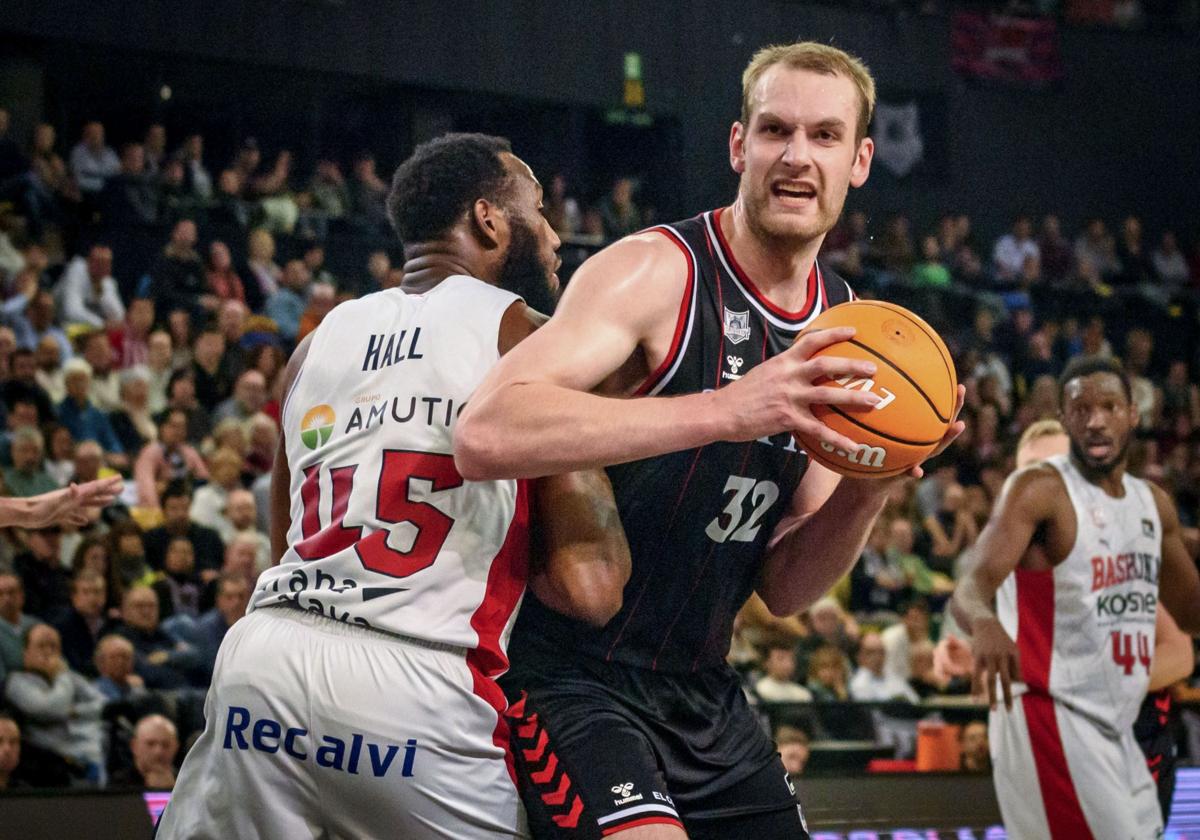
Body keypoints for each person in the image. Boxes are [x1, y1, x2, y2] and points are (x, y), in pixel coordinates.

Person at [458, 41, 963, 837]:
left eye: (825, 137)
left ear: (862, 160)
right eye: (775, 131)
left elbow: (789, 587)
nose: (797, 157)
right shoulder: (655, 271)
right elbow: (486, 428)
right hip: (573, 680)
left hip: (704, 689)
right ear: (739, 145)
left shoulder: (848, 328)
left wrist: (872, 488)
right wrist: (733, 409)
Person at [157, 133, 631, 840]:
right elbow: (588, 587)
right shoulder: (526, 340)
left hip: (265, 664)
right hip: (416, 681)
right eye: (540, 210)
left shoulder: (316, 342)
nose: (557, 233)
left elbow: (285, 541)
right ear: (490, 220)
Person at [951, 356, 1200, 839]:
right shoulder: (1038, 491)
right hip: (1051, 714)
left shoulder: (1151, 505)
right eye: (1081, 409)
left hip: (1117, 726)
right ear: (1066, 420)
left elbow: (1190, 612)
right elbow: (972, 583)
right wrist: (983, 623)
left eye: (1109, 406)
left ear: (1134, 413)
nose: (1096, 419)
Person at [110, 713, 178, 789]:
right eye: (150, 744)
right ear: (134, 746)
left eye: (166, 745)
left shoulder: (186, 781)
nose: (158, 752)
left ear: (176, 747)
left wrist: (173, 790)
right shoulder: (116, 785)